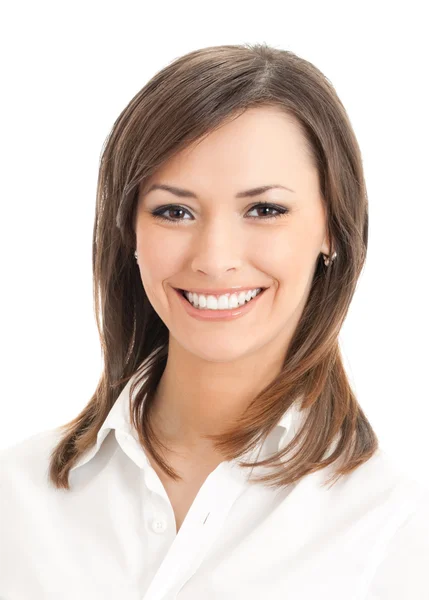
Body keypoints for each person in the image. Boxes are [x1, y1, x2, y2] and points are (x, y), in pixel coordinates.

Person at [1, 42, 428, 599]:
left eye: (265, 210)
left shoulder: (396, 528)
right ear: (130, 230)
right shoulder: (18, 496)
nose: (213, 257)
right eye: (174, 211)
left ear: (332, 228)